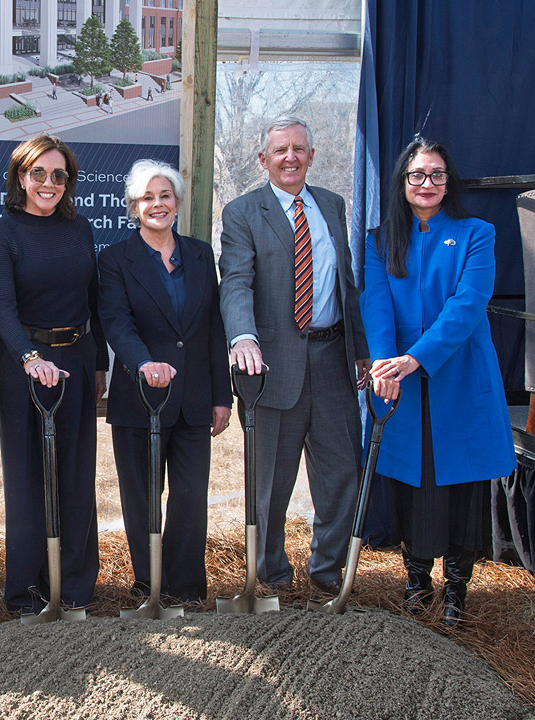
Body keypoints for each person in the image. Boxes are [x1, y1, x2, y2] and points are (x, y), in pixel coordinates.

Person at [361, 138, 516, 627]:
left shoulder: (477, 233)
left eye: (437, 175)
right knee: (416, 482)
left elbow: (467, 306)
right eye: (417, 175)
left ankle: (456, 589)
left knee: (461, 484)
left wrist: (415, 358)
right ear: (402, 183)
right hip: (402, 385)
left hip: (460, 378)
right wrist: (387, 366)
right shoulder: (380, 240)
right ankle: (416, 581)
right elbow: (376, 305)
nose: (427, 184)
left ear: (449, 182)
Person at [218, 115, 369, 597]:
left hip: (333, 363)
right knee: (270, 487)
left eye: (299, 149)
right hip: (271, 369)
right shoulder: (242, 212)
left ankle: (328, 577)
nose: (290, 158)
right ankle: (273, 578)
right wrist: (242, 337)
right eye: (280, 150)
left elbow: (346, 284)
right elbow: (236, 281)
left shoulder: (332, 205)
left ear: (311, 156)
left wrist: (362, 351)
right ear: (264, 159)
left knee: (341, 476)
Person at [0, 135, 108, 615]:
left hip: (75, 363)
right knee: (28, 478)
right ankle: (26, 593)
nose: (49, 184)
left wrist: (97, 364)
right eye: (38, 173)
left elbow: (91, 301)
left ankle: (75, 588)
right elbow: (3, 310)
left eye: (59, 175)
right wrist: (30, 359)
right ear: (21, 177)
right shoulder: (2, 233)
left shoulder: (81, 230)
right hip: (25, 367)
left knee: (76, 475)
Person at [98, 160, 231, 605]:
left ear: (177, 202)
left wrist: (221, 397)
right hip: (140, 399)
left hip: (194, 399)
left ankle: (187, 588)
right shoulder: (116, 259)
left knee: (190, 497)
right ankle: (149, 583)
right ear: (134, 207)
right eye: (148, 198)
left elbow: (212, 327)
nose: (158, 204)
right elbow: (117, 324)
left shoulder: (198, 254)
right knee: (142, 498)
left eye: (165, 196)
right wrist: (143, 364)